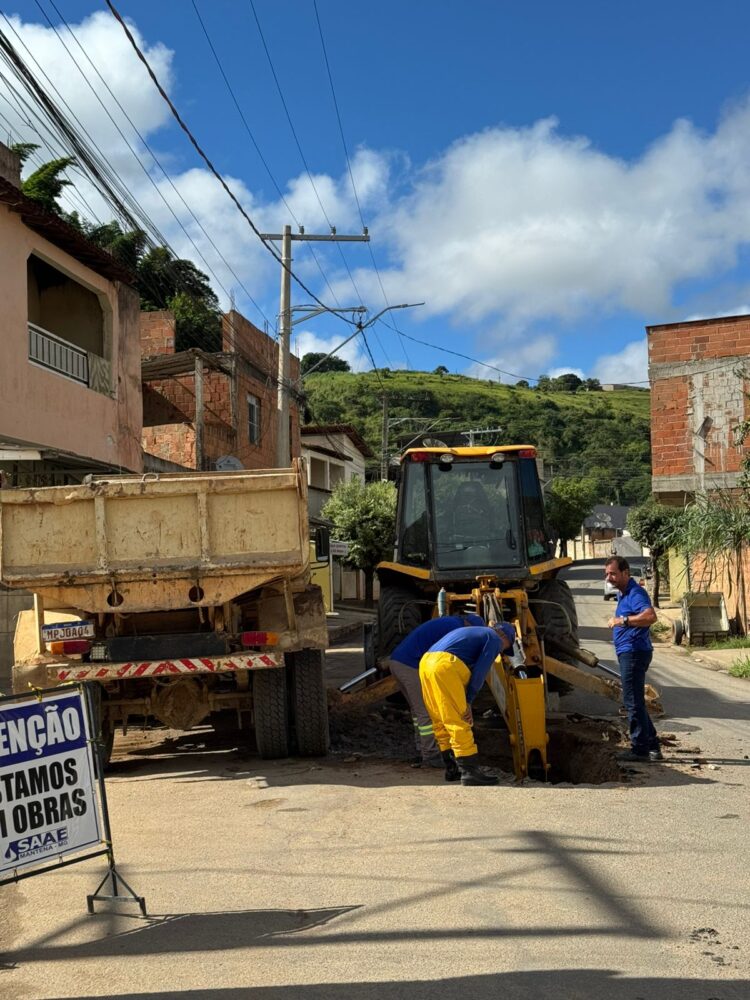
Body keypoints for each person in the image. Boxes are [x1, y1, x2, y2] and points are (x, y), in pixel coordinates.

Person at [419, 622, 516, 785]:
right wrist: (469, 700)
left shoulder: (474, 632)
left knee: (440, 719)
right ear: (504, 637)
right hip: (445, 666)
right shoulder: (494, 638)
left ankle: (452, 768)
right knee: (459, 719)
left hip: (426, 663)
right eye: (505, 648)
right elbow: (480, 672)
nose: (501, 651)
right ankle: (470, 772)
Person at [383, 614, 486, 768]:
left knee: (417, 711)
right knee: (426, 710)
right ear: (469, 626)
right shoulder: (455, 628)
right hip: (410, 666)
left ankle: (422, 749)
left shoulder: (451, 623)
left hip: (398, 662)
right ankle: (430, 755)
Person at [604, 555, 662, 763]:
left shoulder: (635, 593)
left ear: (625, 573)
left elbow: (650, 617)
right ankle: (652, 746)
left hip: (634, 652)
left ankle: (640, 750)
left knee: (632, 702)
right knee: (635, 700)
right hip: (630, 652)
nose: (608, 578)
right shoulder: (623, 593)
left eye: (613, 574)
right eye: (607, 574)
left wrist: (623, 620)